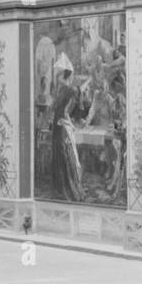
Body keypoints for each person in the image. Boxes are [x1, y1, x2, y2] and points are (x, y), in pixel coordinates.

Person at [50, 57, 88, 202]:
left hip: (56, 125)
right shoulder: (69, 89)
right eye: (72, 76)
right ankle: (69, 187)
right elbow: (66, 111)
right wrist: (71, 124)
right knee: (68, 154)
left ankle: (59, 188)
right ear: (70, 76)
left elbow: (55, 108)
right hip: (63, 125)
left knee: (60, 154)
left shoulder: (59, 89)